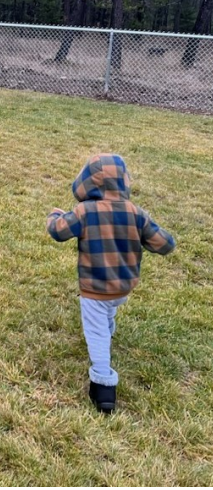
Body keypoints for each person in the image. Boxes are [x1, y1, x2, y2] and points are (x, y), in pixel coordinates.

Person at [46, 153, 175, 414]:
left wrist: (54, 215)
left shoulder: (84, 212)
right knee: (108, 311)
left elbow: (59, 231)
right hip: (123, 287)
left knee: (96, 333)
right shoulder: (136, 213)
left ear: (86, 182)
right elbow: (165, 244)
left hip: (95, 288)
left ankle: (103, 387)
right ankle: (109, 331)